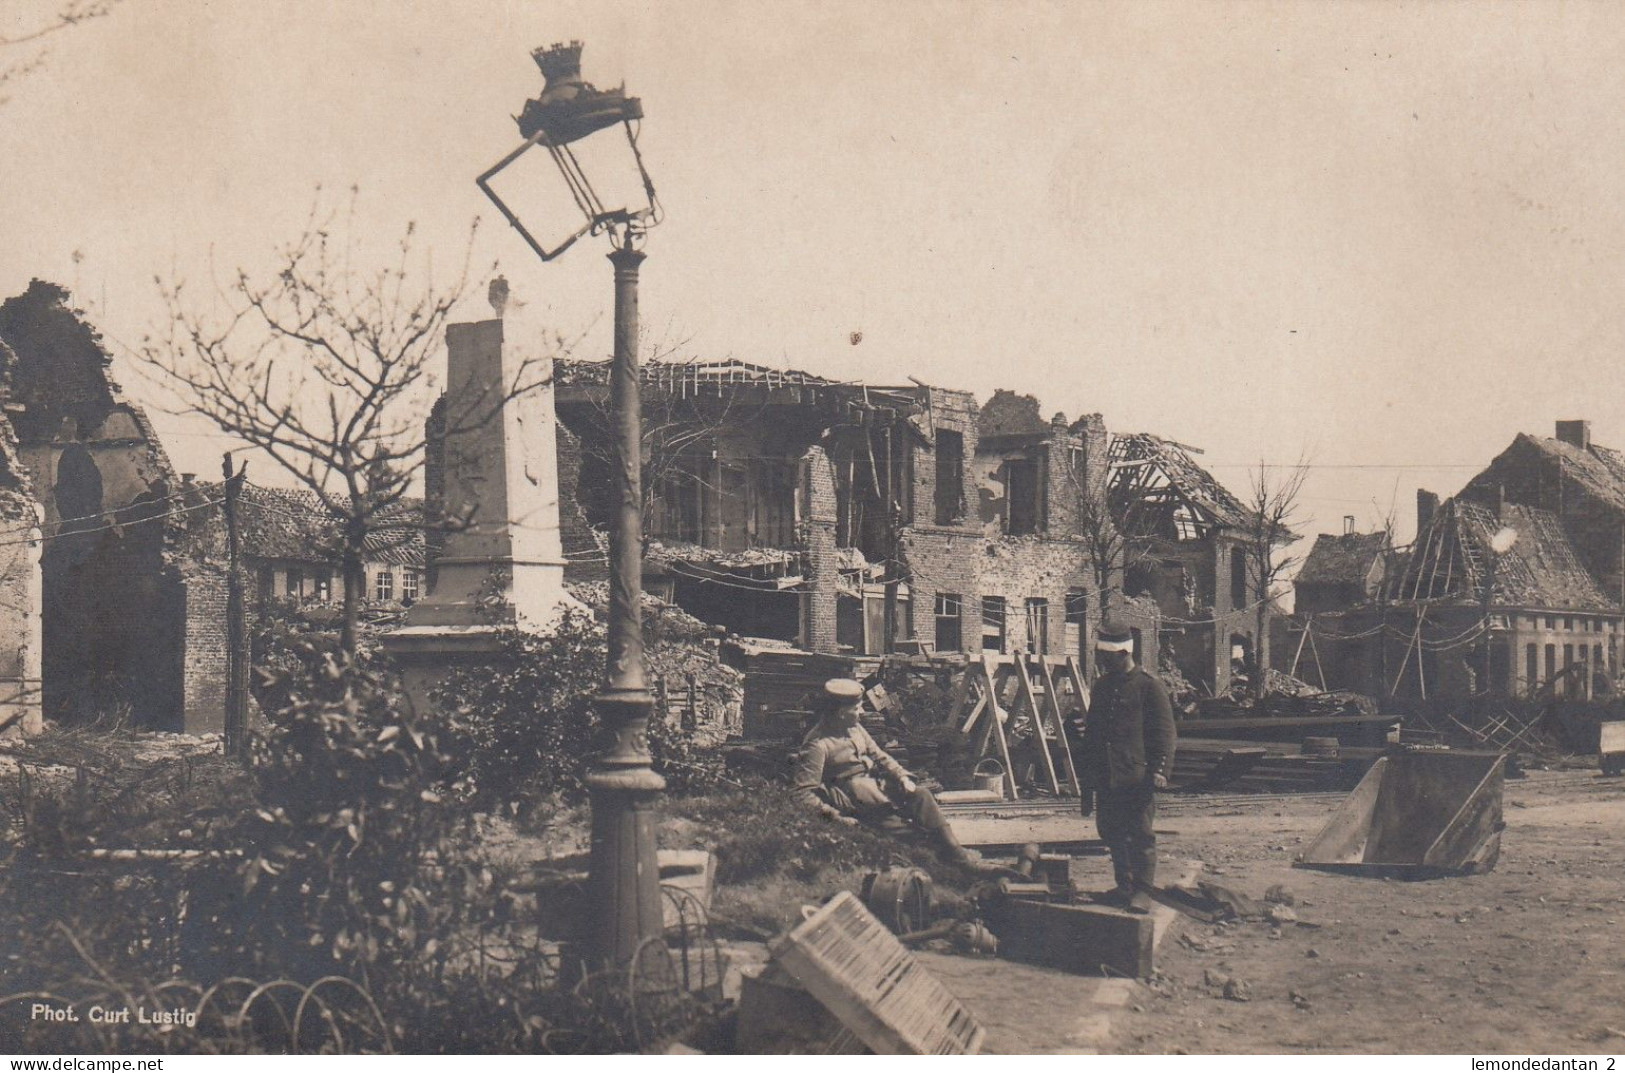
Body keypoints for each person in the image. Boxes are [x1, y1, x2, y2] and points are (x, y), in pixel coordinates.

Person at [793, 678, 992, 872]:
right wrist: (837, 818)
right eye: (855, 709)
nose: (860, 713)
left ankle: (957, 854)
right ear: (839, 713)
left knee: (922, 795)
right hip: (856, 802)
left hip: (877, 787)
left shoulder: (854, 728)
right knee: (905, 831)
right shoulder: (817, 744)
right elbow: (803, 793)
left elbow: (879, 755)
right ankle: (948, 864)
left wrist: (902, 777)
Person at [1076, 622, 1176, 913]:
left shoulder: (1149, 686)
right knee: (1111, 831)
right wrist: (1088, 775)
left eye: (1108, 659)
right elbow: (1094, 733)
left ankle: (1143, 891)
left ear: (1123, 654)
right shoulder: (1103, 687)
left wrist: (1161, 770)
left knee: (1140, 833)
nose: (1103, 664)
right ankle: (1125, 885)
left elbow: (1165, 733)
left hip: (1136, 776)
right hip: (1107, 775)